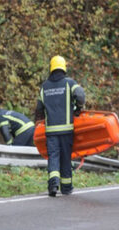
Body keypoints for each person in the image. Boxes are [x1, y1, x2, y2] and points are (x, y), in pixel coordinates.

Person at [34, 55, 85, 197]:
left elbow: (39, 110)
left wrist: (38, 125)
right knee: (66, 159)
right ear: (63, 67)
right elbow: (80, 96)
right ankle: (66, 188)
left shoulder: (44, 87)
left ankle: (53, 185)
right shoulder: (69, 83)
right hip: (67, 130)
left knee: (53, 157)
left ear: (51, 68)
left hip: (51, 131)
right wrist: (78, 108)